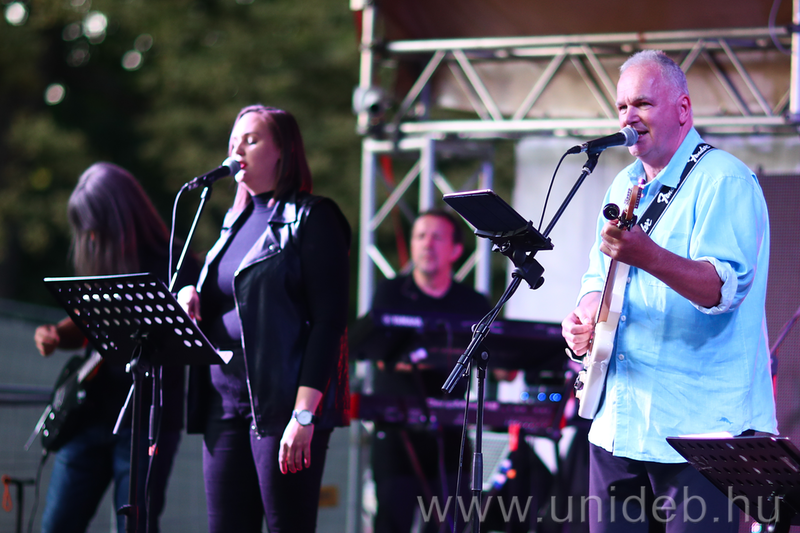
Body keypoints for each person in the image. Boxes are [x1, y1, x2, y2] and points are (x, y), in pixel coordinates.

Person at [560, 50, 777, 532]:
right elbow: (597, 279)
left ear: (682, 109)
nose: (628, 117)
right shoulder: (622, 183)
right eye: (621, 106)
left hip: (698, 433)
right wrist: (584, 318)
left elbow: (722, 289)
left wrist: (649, 255)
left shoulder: (724, 179)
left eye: (642, 103)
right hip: (618, 425)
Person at [178, 104, 351, 533]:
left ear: (283, 151)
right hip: (223, 403)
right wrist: (190, 293)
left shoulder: (312, 217)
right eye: (233, 141)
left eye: (251, 140)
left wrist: (304, 415)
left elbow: (328, 323)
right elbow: (228, 295)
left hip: (281, 407)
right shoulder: (231, 222)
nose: (237, 149)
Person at [33, 162, 193, 533]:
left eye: (96, 230)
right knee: (57, 524)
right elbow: (87, 323)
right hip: (90, 414)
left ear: (120, 217)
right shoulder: (99, 256)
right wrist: (55, 334)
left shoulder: (176, 262)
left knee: (134, 526)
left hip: (145, 422)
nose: (90, 239)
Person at [369, 209, 491, 533]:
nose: (427, 244)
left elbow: (502, 363)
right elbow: (380, 354)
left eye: (436, 237)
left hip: (451, 435)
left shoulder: (473, 303)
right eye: (420, 236)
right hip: (396, 433)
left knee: (451, 522)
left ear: (455, 250)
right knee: (391, 520)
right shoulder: (391, 292)